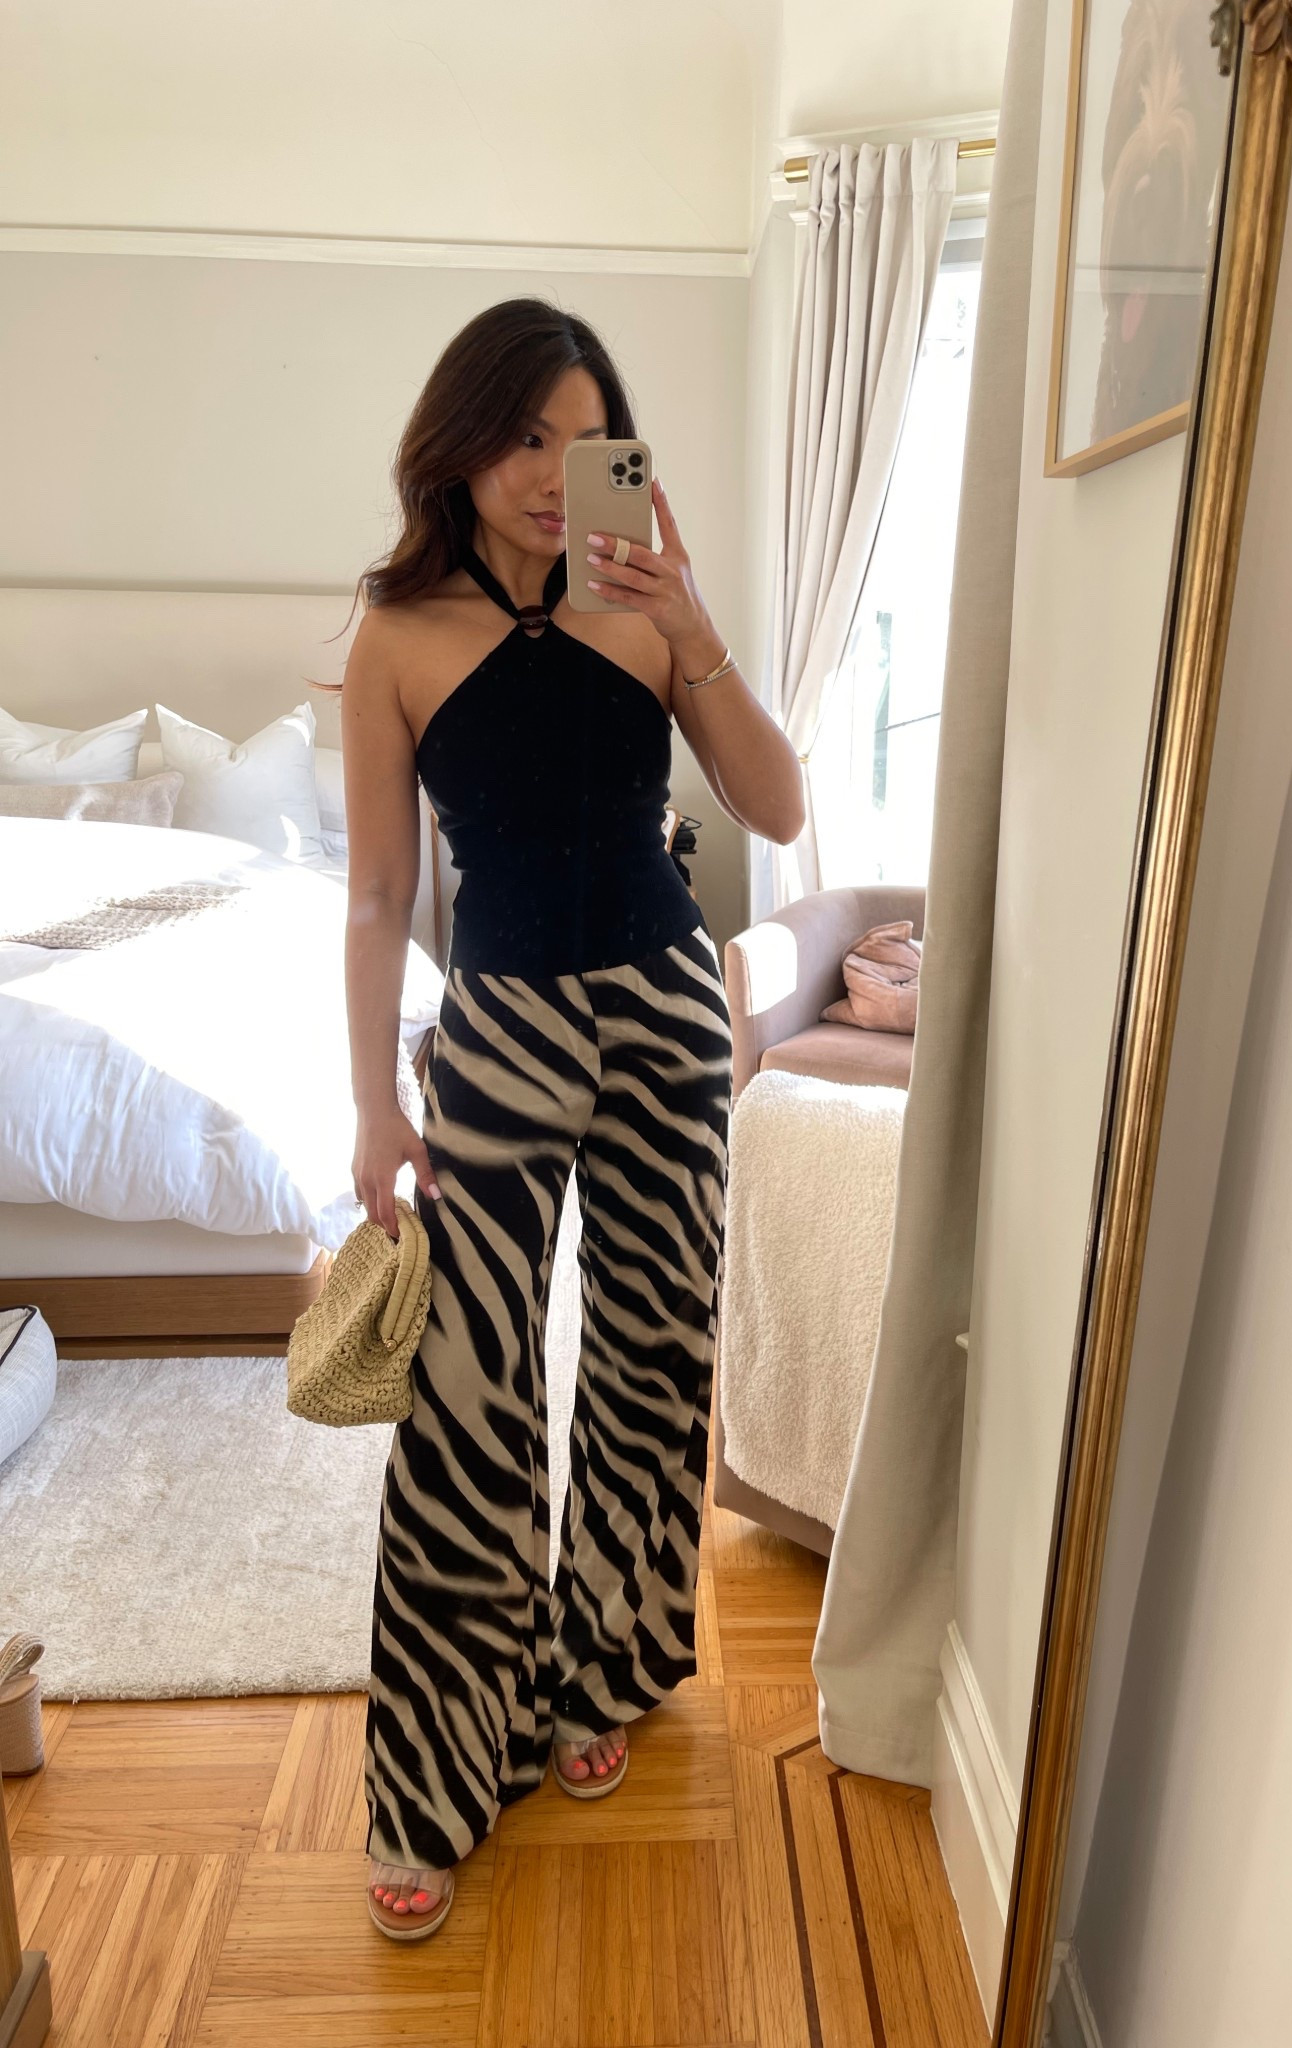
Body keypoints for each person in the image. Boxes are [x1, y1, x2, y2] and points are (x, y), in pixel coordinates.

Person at [340, 297, 804, 1940]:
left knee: (652, 1354)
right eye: (525, 435)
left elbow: (778, 804)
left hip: (669, 1015)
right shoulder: (395, 637)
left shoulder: (644, 603)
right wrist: (373, 1105)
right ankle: (432, 1775)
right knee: (468, 1395)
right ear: (460, 442)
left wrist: (692, 621)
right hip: (500, 1033)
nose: (554, 472)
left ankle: (599, 1669)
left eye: (587, 438)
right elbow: (379, 894)